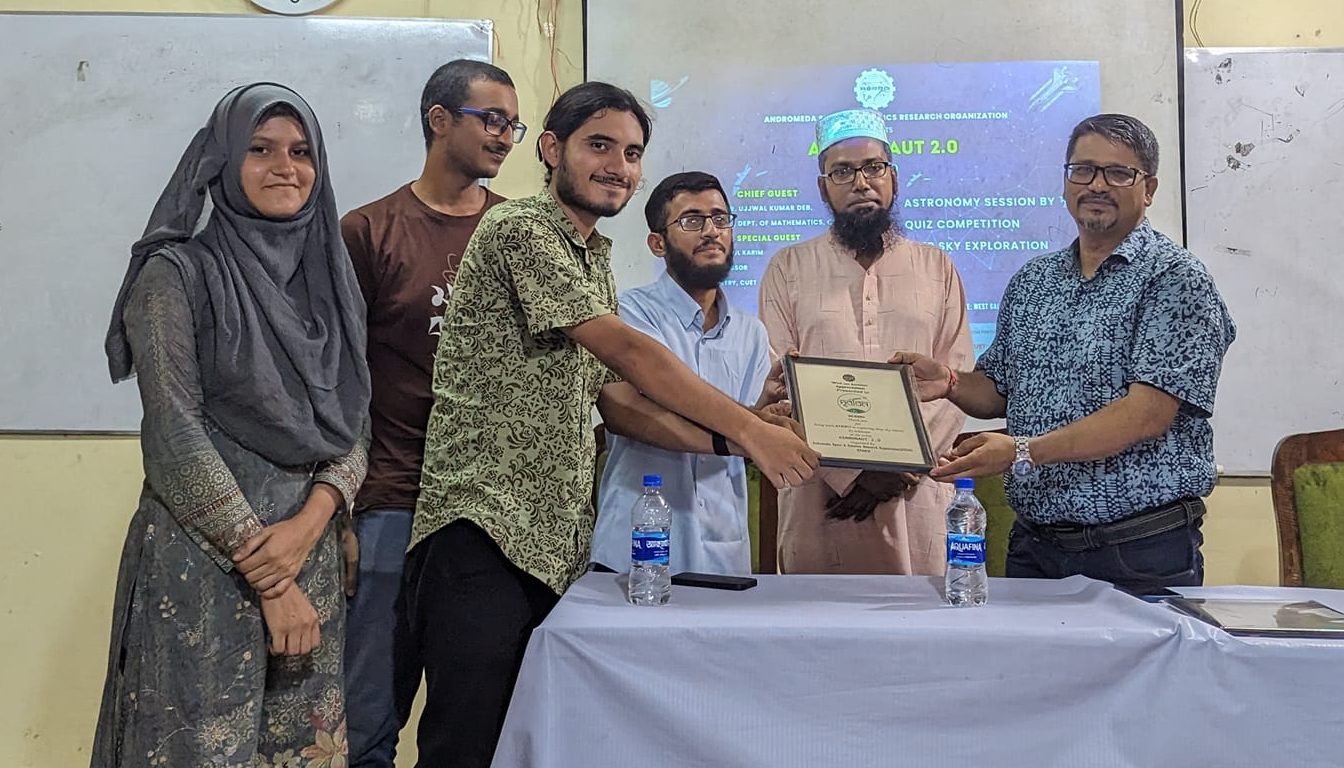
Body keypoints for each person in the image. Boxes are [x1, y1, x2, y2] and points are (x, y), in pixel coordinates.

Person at [401, 81, 818, 767]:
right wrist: (749, 433)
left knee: (539, 743)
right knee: (467, 744)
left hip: (553, 541)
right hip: (482, 526)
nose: (618, 166)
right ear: (550, 148)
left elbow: (618, 398)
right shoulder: (522, 229)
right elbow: (629, 356)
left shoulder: (591, 257)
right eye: (599, 145)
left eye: (630, 152)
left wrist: (738, 433)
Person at [93, 83, 370, 767]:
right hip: (206, 570)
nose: (285, 168)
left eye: (301, 152)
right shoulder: (175, 275)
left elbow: (356, 420)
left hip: (308, 560)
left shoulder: (328, 282)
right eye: (260, 150)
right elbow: (174, 434)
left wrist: (313, 524)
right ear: (221, 162)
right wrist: (271, 578)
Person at [905, 113, 1236, 593]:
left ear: (1149, 188)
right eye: (1083, 170)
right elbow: (999, 392)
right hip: (1035, 547)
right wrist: (950, 383)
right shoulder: (1034, 282)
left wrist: (1023, 451)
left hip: (1138, 551)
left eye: (1118, 173)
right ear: (1066, 183)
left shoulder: (1176, 279)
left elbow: (1147, 413)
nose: (1097, 185)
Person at [338, 59, 522, 768]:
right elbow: (337, 380)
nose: (504, 136)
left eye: (514, 124)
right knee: (366, 725)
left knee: (471, 730)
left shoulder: (518, 233)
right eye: (491, 118)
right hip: (391, 502)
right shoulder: (369, 231)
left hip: (484, 514)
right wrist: (339, 509)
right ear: (439, 120)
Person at [758, 108, 974, 575]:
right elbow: (781, 382)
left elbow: (954, 382)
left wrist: (899, 466)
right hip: (819, 494)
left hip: (915, 494)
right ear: (823, 188)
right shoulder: (787, 269)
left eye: (873, 168)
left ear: (893, 178)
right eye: (842, 171)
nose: (861, 183)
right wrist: (850, 473)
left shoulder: (937, 267)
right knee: (816, 618)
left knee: (920, 617)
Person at [592, 171, 779, 575]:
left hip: (721, 545)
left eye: (720, 218)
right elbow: (634, 411)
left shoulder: (751, 332)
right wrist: (750, 430)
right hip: (635, 545)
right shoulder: (629, 315)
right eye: (692, 220)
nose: (711, 231)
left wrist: (771, 411)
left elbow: (751, 424)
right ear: (657, 243)